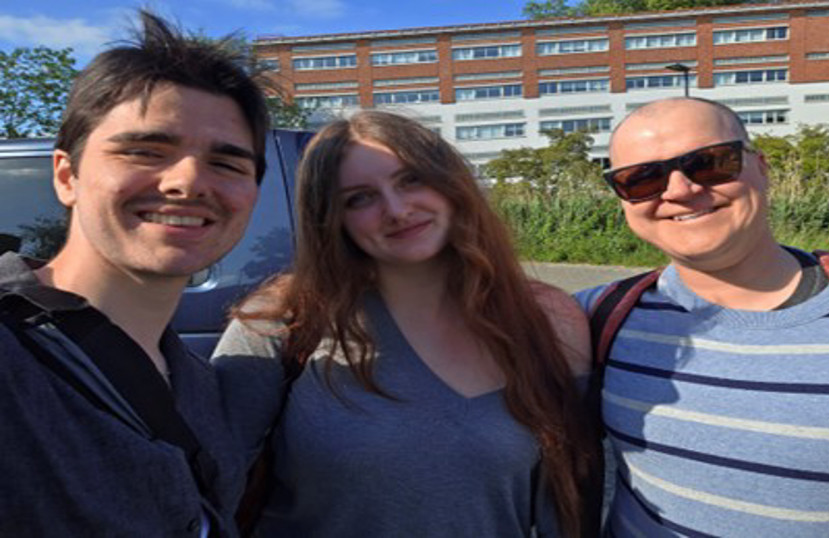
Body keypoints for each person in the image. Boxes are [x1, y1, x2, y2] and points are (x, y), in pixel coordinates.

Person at [212, 110, 596, 538]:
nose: (396, 210)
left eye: (411, 179)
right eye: (359, 198)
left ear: (451, 183)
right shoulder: (282, 317)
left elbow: (566, 499)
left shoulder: (548, 318)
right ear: (331, 220)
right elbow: (209, 487)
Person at [0, 11, 269, 537]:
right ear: (67, 176)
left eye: (228, 164)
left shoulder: (197, 381)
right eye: (146, 151)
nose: (188, 182)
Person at [576, 97, 829, 537]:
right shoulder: (593, 318)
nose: (679, 190)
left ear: (762, 167)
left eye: (708, 163)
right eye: (640, 178)